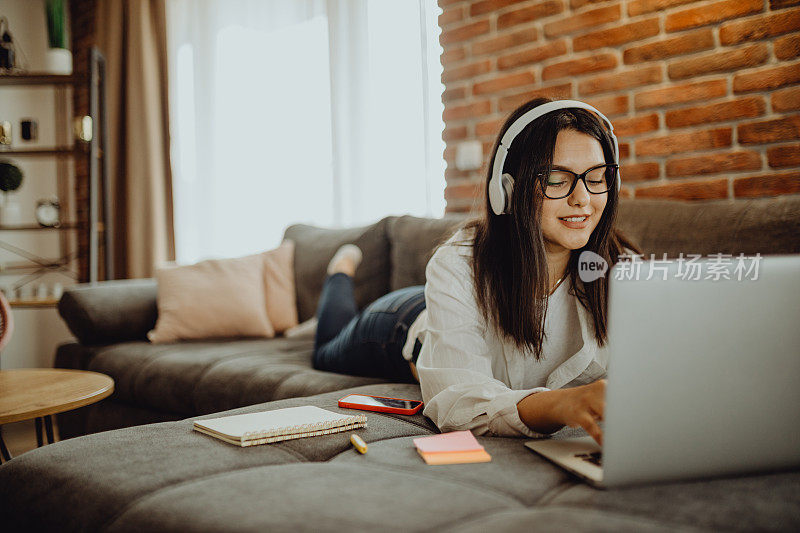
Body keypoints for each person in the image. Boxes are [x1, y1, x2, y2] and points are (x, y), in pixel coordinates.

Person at [312, 97, 638, 446]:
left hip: (437, 307)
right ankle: (341, 271)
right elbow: (460, 403)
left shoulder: (622, 269)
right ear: (508, 189)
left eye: (597, 178)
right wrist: (559, 405)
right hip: (402, 324)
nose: (583, 199)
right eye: (557, 180)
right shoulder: (459, 263)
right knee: (325, 347)